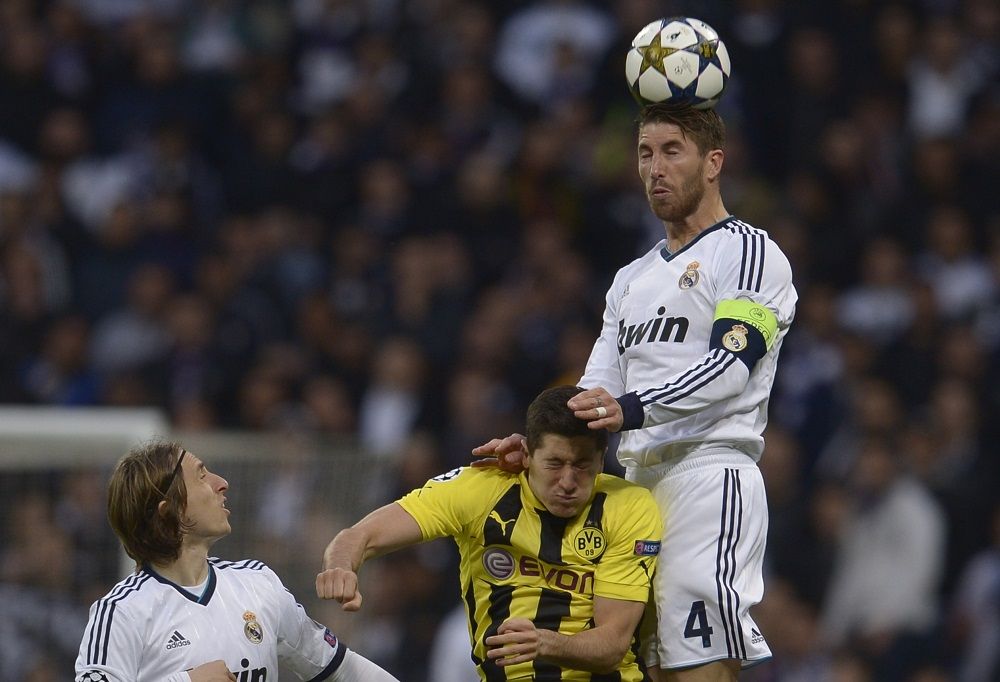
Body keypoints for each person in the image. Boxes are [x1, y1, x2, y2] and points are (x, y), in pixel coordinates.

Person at [474, 104, 797, 681]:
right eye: (646, 153)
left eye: (673, 151)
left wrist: (630, 410)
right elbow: (588, 396)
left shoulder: (747, 251)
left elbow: (731, 365)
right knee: (647, 666)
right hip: (632, 491)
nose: (655, 168)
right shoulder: (631, 280)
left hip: (707, 475)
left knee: (696, 666)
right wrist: (539, 450)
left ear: (713, 162)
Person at [316, 385, 662, 681]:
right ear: (525, 454)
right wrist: (340, 567)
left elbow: (612, 646)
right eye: (554, 464)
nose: (568, 482)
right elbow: (357, 536)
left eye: (582, 466)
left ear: (602, 461)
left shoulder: (627, 506)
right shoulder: (480, 490)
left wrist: (545, 643)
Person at [75, 441, 399, 682]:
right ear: (169, 509)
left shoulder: (257, 585)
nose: (221, 483)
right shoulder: (122, 611)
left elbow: (337, 667)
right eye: (201, 476)